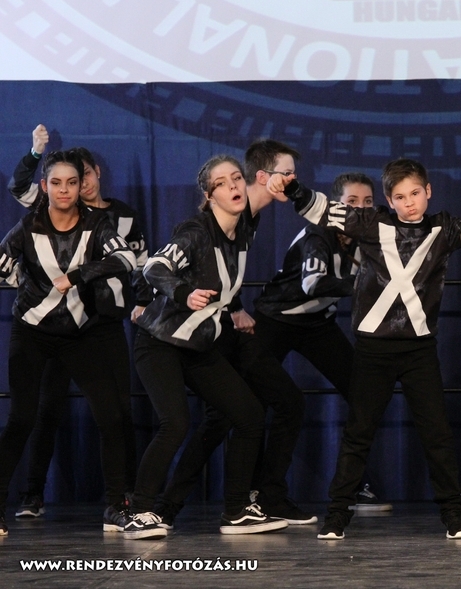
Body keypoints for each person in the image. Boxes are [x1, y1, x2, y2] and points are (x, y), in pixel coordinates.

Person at [269, 156, 461, 539]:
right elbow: (322, 211)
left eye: (415, 193)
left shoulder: (445, 229)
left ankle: (453, 517)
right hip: (373, 350)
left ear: (428, 191)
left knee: (437, 435)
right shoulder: (371, 222)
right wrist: (292, 188)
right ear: (389, 199)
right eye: (400, 197)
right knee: (358, 434)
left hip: (420, 350)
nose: (409, 203)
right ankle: (336, 517)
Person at [151, 140, 319, 529]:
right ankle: (171, 506)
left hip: (228, 326)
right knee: (222, 419)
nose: (292, 180)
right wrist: (151, 299)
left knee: (283, 403)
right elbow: (172, 263)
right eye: (286, 173)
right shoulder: (220, 216)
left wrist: (236, 304)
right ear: (263, 176)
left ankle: (262, 497)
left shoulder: (245, 214)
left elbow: (226, 270)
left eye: (294, 174)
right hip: (207, 332)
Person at [126, 154, 287, 539]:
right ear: (209, 195)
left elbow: (260, 197)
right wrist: (184, 293)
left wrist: (280, 184)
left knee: (249, 415)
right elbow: (154, 268)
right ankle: (141, 512)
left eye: (236, 178)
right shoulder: (196, 232)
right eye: (221, 183)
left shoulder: (242, 230)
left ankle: (236, 511)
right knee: (175, 423)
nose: (232, 186)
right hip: (160, 343)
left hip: (198, 347)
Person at [6, 124, 149, 523]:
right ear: (48, 185)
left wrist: (88, 277)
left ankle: (121, 500)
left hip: (93, 326)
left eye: (77, 179)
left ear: (93, 176)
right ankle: (24, 496)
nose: (69, 188)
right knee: (32, 413)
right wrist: (35, 152)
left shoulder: (110, 219)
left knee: (115, 414)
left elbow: (132, 260)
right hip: (40, 327)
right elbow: (16, 196)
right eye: (59, 182)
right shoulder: (37, 217)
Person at [252, 171, 391, 512]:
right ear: (335, 206)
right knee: (255, 405)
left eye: (368, 202)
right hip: (275, 320)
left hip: (318, 323)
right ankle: (258, 493)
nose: (360, 209)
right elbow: (312, 284)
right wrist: (366, 285)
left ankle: (350, 486)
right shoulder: (318, 234)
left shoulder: (371, 233)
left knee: (363, 393)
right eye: (351, 202)